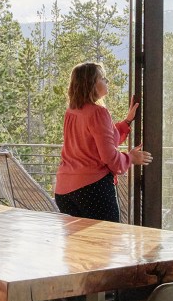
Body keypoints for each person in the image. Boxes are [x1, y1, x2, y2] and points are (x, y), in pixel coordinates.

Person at [54, 62, 152, 222]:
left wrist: (127, 121)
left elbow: (100, 142)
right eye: (102, 78)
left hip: (64, 192)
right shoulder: (98, 113)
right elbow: (109, 157)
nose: (107, 81)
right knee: (107, 243)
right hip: (91, 190)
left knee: (80, 245)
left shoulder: (71, 112)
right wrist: (131, 158)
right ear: (91, 83)